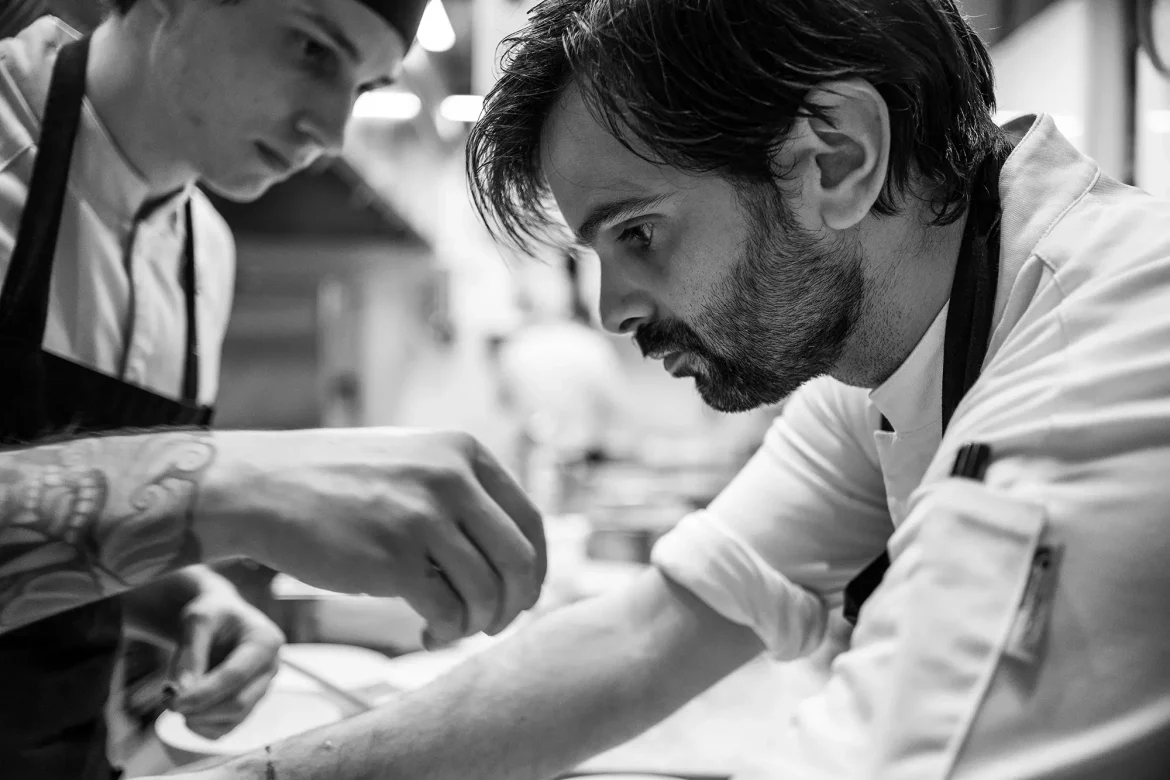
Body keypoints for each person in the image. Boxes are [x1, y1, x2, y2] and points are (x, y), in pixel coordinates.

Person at [163, 0, 1170, 778]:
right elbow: (651, 633)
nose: (610, 311)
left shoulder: (1098, 373)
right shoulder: (898, 341)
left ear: (837, 159)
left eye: (638, 233)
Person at [0, 1, 545, 778]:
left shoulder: (204, 256)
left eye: (363, 87)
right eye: (314, 50)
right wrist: (237, 491)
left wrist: (179, 593)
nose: (331, 131)